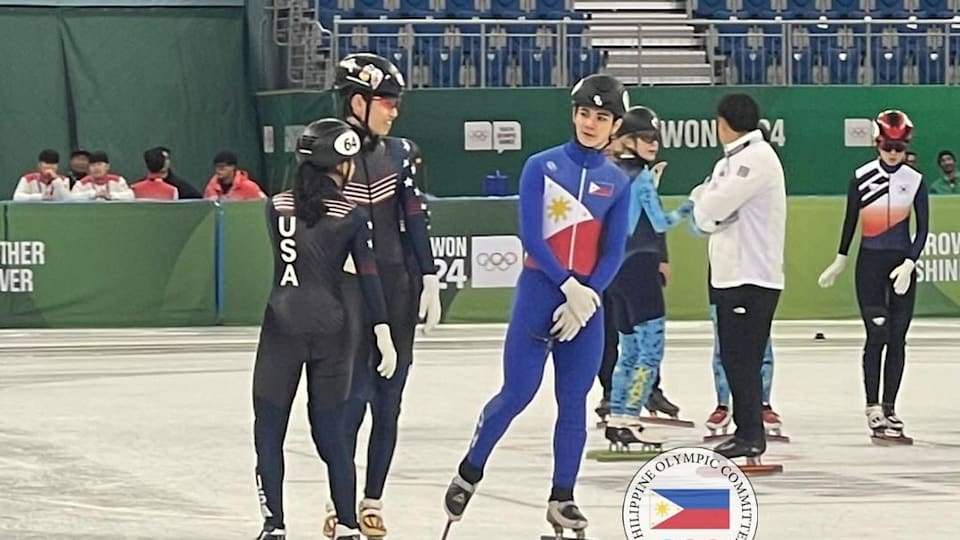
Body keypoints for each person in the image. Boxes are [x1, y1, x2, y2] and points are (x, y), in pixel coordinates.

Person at [441, 74, 631, 539]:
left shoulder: (616, 182)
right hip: (539, 292)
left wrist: (587, 296)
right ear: (573, 114)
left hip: (586, 305)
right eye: (584, 113)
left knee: (574, 402)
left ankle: (562, 496)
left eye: (601, 117)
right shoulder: (541, 167)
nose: (590, 123)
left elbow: (613, 251)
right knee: (519, 392)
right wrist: (567, 285)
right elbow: (531, 234)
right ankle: (471, 468)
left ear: (614, 125)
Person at [252, 118, 398, 540]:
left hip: (280, 326)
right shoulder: (351, 216)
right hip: (334, 329)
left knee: (268, 431)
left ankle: (274, 525)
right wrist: (383, 329)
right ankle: (349, 525)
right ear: (343, 165)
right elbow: (368, 275)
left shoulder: (275, 205)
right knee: (332, 434)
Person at [322, 52, 441, 539]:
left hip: (398, 288)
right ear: (358, 101)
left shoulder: (401, 153)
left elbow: (414, 215)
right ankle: (339, 501)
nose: (395, 111)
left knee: (389, 400)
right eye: (387, 101)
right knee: (350, 398)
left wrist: (430, 273)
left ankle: (372, 499)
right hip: (347, 290)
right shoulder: (323, 150)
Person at [817, 109, 928, 443]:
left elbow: (922, 229)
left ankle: (890, 407)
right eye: (887, 147)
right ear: (878, 143)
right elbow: (850, 221)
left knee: (897, 338)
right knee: (877, 335)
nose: (893, 154)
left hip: (901, 267)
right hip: (870, 265)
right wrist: (840, 259)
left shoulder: (915, 181)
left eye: (899, 148)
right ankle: (872, 406)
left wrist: (910, 262)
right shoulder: (862, 176)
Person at [688, 93, 786, 460]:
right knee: (733, 357)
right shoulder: (730, 161)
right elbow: (705, 211)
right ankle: (746, 431)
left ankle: (751, 434)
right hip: (730, 274)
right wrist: (709, 210)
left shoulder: (756, 159)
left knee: (743, 358)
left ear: (723, 123)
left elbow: (708, 207)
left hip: (752, 275)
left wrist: (709, 209)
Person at [600, 105, 692, 452]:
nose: (654, 144)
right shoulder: (639, 177)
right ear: (628, 140)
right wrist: (690, 205)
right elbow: (660, 223)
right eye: (646, 138)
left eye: (656, 138)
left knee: (628, 351)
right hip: (640, 267)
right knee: (649, 352)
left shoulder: (609, 173)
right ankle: (631, 418)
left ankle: (618, 419)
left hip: (616, 271)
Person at [71, 151, 135, 201]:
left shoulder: (118, 180)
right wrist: (93, 194)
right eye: (93, 165)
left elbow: (130, 195)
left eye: (99, 164)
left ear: (107, 166)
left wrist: (111, 195)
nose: (96, 168)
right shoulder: (82, 183)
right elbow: (71, 197)